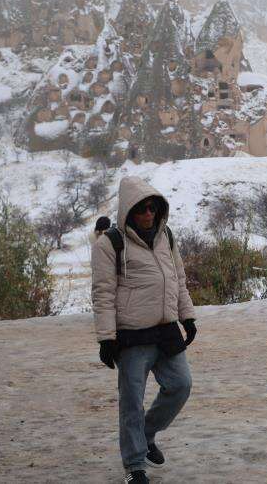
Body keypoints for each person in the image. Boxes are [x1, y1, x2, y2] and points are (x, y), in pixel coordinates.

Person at [91, 176, 198, 484]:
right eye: (141, 209)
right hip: (132, 335)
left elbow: (178, 279)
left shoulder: (167, 236)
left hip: (166, 331)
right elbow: (103, 293)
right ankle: (135, 465)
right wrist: (106, 338)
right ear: (128, 212)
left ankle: (147, 434)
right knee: (131, 403)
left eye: (152, 208)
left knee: (181, 385)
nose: (148, 214)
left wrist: (187, 316)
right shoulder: (109, 244)